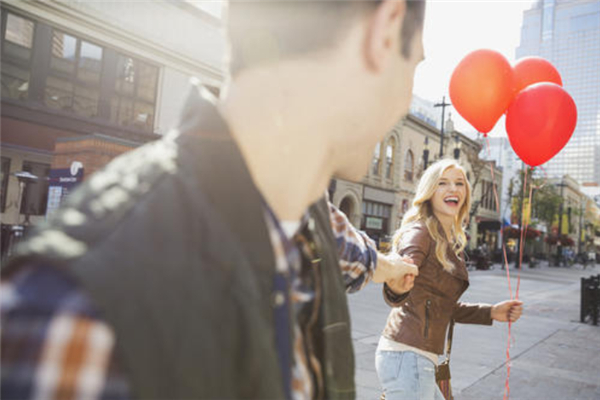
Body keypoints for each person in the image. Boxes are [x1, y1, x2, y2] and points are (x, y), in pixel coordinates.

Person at [1, 0, 426, 399]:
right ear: (385, 34)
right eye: (416, 64)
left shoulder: (306, 217)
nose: (407, 97)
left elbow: (356, 256)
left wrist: (394, 269)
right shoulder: (81, 315)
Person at [375, 159, 524, 400]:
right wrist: (397, 282)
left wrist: (491, 312)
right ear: (429, 191)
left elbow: (441, 306)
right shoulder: (420, 232)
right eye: (443, 183)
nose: (453, 189)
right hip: (407, 355)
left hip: (417, 358)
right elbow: (401, 273)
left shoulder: (447, 239)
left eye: (459, 183)